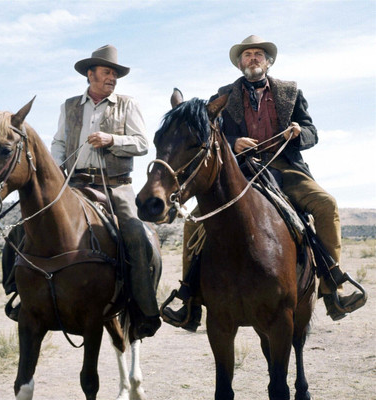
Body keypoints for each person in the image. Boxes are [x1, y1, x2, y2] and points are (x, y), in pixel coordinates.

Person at [163, 35, 367, 329]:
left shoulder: (290, 92)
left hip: (286, 167)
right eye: (247, 55)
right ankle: (189, 300)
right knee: (195, 220)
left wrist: (299, 132)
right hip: (242, 171)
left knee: (326, 205)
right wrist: (234, 143)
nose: (253, 58)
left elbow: (312, 131)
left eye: (259, 54)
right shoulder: (223, 96)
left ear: (268, 62)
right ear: (239, 63)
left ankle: (331, 286)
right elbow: (210, 136)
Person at [50, 44, 161, 339]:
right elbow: (59, 143)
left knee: (136, 237)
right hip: (75, 184)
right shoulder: (69, 105)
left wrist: (111, 139)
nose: (112, 77)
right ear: (90, 74)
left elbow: (142, 144)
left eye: (114, 73)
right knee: (35, 224)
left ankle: (145, 311)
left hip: (116, 186)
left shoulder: (128, 104)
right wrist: (57, 169)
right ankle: (21, 295)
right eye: (106, 71)